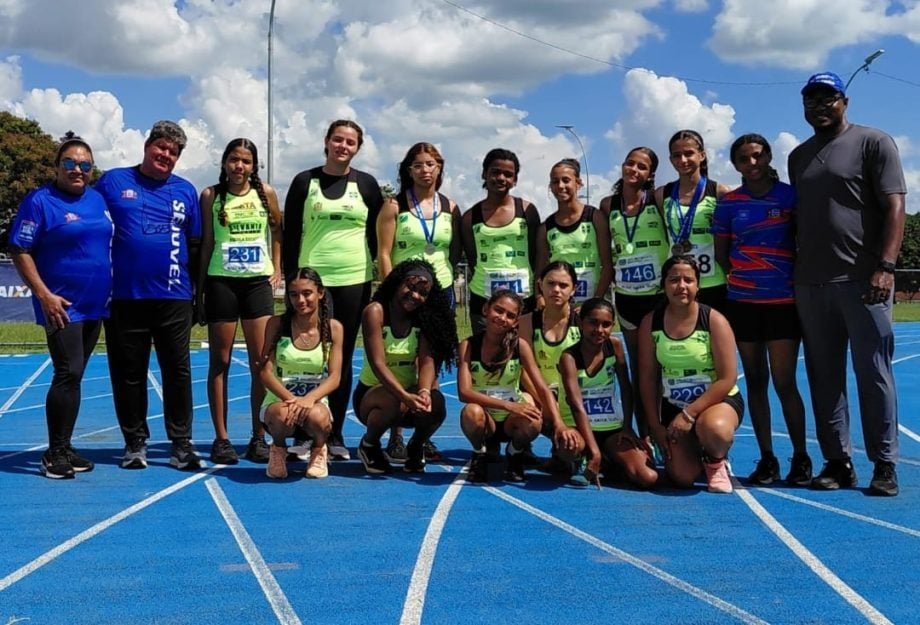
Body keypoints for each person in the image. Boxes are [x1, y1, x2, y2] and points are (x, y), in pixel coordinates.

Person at [789, 72, 907, 496]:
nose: (819, 107)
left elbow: (895, 205)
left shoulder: (874, 142)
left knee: (873, 372)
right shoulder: (798, 156)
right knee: (824, 376)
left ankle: (885, 463)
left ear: (845, 101)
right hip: (811, 282)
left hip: (863, 279)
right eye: (810, 101)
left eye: (827, 99)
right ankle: (838, 461)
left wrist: (886, 266)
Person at [95, 120, 201, 470]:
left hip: (174, 297)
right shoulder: (113, 181)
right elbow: (90, 223)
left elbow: (196, 244)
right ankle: (135, 442)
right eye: (162, 148)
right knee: (129, 373)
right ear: (147, 145)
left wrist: (198, 296)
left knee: (177, 371)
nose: (166, 155)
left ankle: (181, 443)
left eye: (173, 152)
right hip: (125, 297)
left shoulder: (186, 190)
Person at [9, 133, 113, 479]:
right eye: (70, 163)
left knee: (76, 375)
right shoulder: (40, 201)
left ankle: (65, 445)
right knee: (67, 372)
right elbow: (20, 249)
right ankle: (53, 453)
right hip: (61, 305)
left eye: (85, 164)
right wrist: (44, 294)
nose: (77, 169)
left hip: (95, 304)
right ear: (57, 166)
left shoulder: (97, 199)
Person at [283, 120, 384, 461]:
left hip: (354, 280)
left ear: (358, 147)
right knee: (308, 354)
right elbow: (291, 232)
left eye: (351, 142)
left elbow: (375, 235)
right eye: (338, 139)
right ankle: (300, 431)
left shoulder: (367, 185)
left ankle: (334, 432)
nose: (343, 146)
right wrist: (290, 279)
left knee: (340, 356)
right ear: (326, 142)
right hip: (313, 283)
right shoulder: (303, 182)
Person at [713, 134, 811, 486]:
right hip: (743, 303)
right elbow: (722, 254)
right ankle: (767, 457)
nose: (751, 163)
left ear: (769, 156)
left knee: (785, 382)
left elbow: (803, 241)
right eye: (743, 158)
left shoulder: (789, 196)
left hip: (783, 303)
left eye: (757, 156)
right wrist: (744, 281)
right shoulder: (728, 204)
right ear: (735, 164)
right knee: (755, 381)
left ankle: (800, 456)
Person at [198, 138, 282, 465]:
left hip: (257, 284)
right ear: (224, 162)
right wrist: (200, 291)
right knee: (220, 362)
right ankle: (221, 438)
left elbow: (278, 230)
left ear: (254, 166)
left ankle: (258, 436)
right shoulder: (211, 196)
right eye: (234, 160)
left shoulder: (267, 194)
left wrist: (277, 267)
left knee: (261, 363)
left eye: (246, 161)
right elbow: (206, 244)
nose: (239, 167)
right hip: (222, 283)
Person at [376, 142, 461, 463]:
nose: (425, 170)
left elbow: (452, 253)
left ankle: (423, 435)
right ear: (408, 170)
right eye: (418, 165)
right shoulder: (393, 206)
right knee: (400, 359)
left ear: (440, 168)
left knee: (430, 363)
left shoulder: (450, 207)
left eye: (431, 164)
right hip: (403, 294)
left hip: (439, 293)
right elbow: (384, 252)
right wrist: (391, 291)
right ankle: (395, 435)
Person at [638, 256, 744, 494]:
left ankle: (716, 459)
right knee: (682, 477)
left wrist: (689, 414)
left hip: (716, 402)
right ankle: (697, 449)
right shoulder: (651, 323)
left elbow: (727, 378)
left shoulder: (713, 320)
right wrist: (654, 425)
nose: (681, 286)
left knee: (714, 429)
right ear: (664, 284)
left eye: (688, 280)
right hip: (673, 405)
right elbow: (647, 378)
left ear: (698, 285)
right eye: (674, 280)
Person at [458, 289, 579, 483]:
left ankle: (514, 453)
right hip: (486, 417)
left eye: (510, 315)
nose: (502, 318)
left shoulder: (519, 346)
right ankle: (479, 453)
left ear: (515, 322)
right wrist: (509, 405)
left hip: (511, 422)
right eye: (498, 310)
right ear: (485, 309)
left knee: (533, 417)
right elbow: (464, 392)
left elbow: (541, 387)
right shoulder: (468, 345)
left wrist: (558, 423)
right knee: (471, 412)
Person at [354, 259, 458, 475]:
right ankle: (369, 445)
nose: (415, 296)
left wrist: (423, 392)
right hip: (374, 396)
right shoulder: (376, 312)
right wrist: (404, 396)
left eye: (422, 292)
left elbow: (427, 360)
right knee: (392, 400)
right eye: (410, 287)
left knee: (436, 403)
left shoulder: (423, 318)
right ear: (397, 283)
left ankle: (416, 445)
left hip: (408, 394)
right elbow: (377, 364)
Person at [600, 147, 666, 445]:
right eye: (630, 163)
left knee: (663, 370)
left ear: (650, 174)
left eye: (642, 167)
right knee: (641, 373)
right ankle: (647, 437)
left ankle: (669, 435)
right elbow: (605, 256)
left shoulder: (659, 199)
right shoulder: (607, 205)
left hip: (658, 298)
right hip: (627, 299)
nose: (634, 170)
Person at [559, 298, 658, 489]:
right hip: (578, 427)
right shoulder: (568, 357)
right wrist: (593, 451)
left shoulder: (614, 345)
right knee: (569, 446)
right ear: (580, 322)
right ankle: (579, 458)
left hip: (611, 428)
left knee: (648, 477)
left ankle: (607, 459)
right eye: (593, 322)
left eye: (606, 324)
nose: (599, 330)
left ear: (613, 325)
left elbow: (626, 387)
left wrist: (628, 426)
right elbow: (576, 404)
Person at [259, 267, 342, 479]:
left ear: (320, 293)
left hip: (315, 404)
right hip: (281, 402)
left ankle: (318, 450)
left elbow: (334, 377)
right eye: (294, 295)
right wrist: (292, 400)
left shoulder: (333, 328)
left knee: (318, 416)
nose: (300, 300)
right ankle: (278, 450)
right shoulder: (276, 324)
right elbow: (265, 372)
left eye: (307, 293)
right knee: (282, 415)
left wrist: (310, 399)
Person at [460, 148, 540, 331]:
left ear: (515, 180)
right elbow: (473, 260)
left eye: (508, 174)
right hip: (484, 299)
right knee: (485, 356)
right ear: (484, 174)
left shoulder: (528, 211)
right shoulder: (470, 218)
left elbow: (536, 254)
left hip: (523, 299)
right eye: (495, 172)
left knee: (523, 355)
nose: (501, 178)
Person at [655, 130, 732, 310]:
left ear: (702, 155)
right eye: (677, 155)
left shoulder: (720, 192)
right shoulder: (662, 194)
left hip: (713, 282)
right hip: (679, 284)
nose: (682, 160)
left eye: (688, 153)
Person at [518, 261, 580, 470]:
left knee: (570, 449)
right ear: (540, 286)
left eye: (563, 285)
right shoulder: (526, 322)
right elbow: (524, 369)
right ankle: (517, 450)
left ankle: (573, 450)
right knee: (525, 411)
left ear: (574, 289)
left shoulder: (582, 320)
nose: (556, 290)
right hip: (539, 394)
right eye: (551, 283)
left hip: (574, 395)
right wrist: (545, 402)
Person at [535, 158, 612, 304]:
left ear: (578, 183)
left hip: (590, 303)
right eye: (555, 181)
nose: (560, 186)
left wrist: (595, 301)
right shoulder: (545, 227)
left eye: (566, 180)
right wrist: (539, 297)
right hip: (559, 304)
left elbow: (607, 265)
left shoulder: (595, 217)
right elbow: (540, 270)